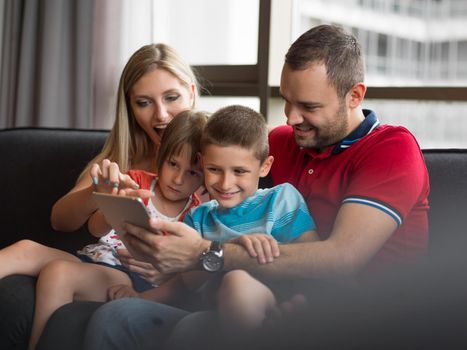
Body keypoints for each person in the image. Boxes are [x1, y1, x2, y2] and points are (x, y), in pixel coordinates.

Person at [81, 24, 429, 349]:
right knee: (115, 318)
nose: (291, 118)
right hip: (262, 293)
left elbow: (343, 258)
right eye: (287, 100)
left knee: (194, 330)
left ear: (354, 96)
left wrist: (205, 253)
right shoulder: (282, 140)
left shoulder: (391, 149)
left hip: (358, 313)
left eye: (308, 106)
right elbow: (218, 152)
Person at [0, 43, 200, 350]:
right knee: (26, 248)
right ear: (130, 107)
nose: (161, 114)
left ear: (191, 92)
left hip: (136, 275)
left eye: (171, 97)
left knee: (59, 274)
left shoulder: (210, 165)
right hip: (96, 256)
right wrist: (100, 194)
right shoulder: (124, 160)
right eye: (144, 102)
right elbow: (61, 221)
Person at [110, 105, 319, 335]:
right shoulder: (198, 217)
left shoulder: (281, 200)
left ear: (264, 166)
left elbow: (312, 261)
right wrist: (139, 297)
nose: (225, 183)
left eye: (239, 171)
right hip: (209, 310)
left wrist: (302, 303)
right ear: (202, 162)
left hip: (270, 301)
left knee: (236, 283)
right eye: (214, 169)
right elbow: (186, 282)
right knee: (121, 316)